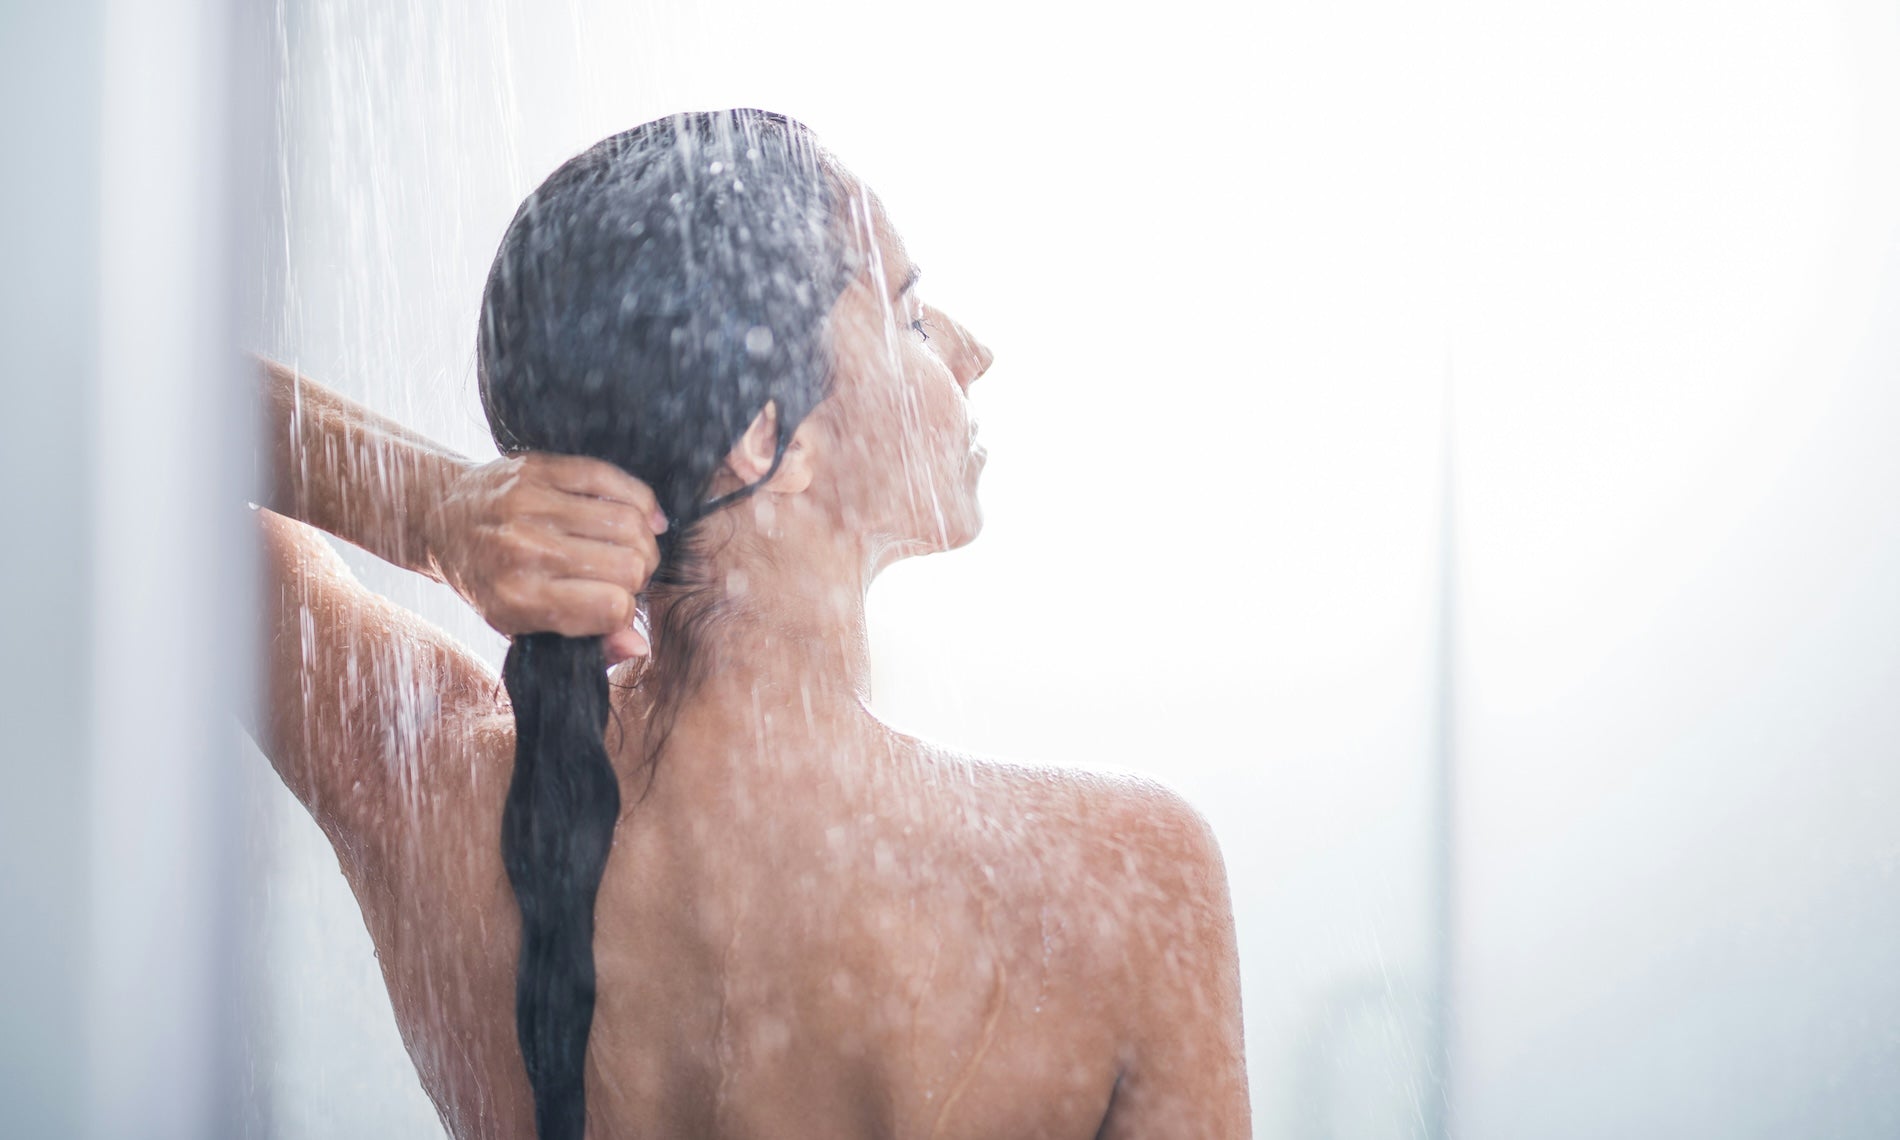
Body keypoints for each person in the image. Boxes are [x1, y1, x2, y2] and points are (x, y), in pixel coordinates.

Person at [249, 108, 1248, 1140]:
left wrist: (428, 508)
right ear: (764, 435)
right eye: (907, 316)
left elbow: (108, 409)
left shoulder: (426, 785)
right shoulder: (1124, 887)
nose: (969, 351)